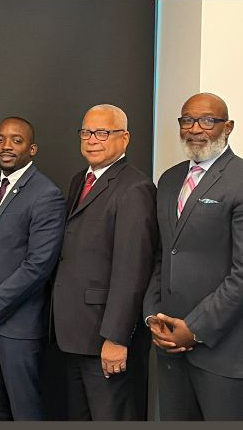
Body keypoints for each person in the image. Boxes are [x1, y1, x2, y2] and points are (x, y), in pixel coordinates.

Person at [51, 104, 156, 420]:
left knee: (110, 416)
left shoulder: (135, 188)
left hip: (103, 336)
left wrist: (116, 337)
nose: (92, 139)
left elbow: (132, 269)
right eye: (86, 132)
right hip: (71, 332)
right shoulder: (79, 180)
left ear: (124, 138)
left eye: (102, 132)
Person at [143, 93, 243, 420]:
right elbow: (162, 255)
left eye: (208, 121)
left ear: (227, 127)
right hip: (168, 346)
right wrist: (153, 317)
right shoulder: (169, 180)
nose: (195, 128)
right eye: (187, 120)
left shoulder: (239, 179)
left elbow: (241, 275)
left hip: (222, 352)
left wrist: (195, 328)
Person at [0, 117, 65, 420]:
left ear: (32, 149)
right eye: (1, 139)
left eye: (16, 140)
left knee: (24, 410)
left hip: (17, 323)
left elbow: (39, 265)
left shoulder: (46, 194)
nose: (7, 146)